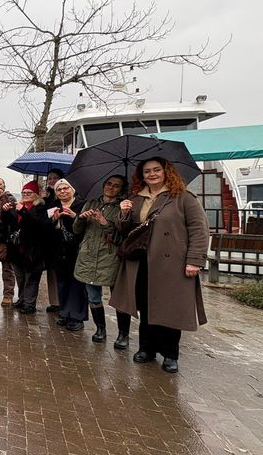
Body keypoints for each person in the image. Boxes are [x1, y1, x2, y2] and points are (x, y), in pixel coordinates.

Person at [110, 157, 209, 373]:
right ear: (142, 175)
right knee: (146, 307)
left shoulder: (183, 198)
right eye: (147, 171)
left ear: (166, 172)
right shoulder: (136, 199)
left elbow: (199, 230)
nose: (152, 174)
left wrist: (195, 260)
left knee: (170, 309)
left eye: (156, 170)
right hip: (141, 262)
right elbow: (124, 230)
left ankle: (170, 354)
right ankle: (147, 349)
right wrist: (124, 212)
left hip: (171, 263)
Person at [73, 175, 129, 345]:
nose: (111, 188)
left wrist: (105, 223)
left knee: (119, 298)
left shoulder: (122, 207)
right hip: (88, 254)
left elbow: (122, 236)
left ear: (121, 189)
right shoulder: (91, 203)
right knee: (93, 296)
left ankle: (123, 335)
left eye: (116, 186)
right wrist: (81, 218)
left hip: (110, 256)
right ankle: (100, 329)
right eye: (109, 184)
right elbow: (76, 230)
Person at [48, 178, 88, 331]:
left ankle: (77, 317)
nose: (63, 191)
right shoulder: (54, 206)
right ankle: (64, 312)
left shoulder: (81, 205)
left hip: (77, 250)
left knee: (77, 284)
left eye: (66, 188)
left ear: (72, 190)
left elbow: (87, 227)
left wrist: (74, 216)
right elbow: (47, 227)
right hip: (59, 250)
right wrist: (54, 220)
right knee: (62, 283)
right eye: (59, 189)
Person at [12, 180, 50, 314]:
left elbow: (38, 225)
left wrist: (23, 211)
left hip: (33, 250)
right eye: (24, 192)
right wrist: (7, 212)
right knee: (20, 277)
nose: (26, 195)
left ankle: (29, 303)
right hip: (19, 249)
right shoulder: (19, 206)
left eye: (29, 192)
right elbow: (12, 225)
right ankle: (22, 299)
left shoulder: (40, 208)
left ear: (36, 195)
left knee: (31, 279)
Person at [42, 168, 64, 312]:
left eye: (55, 178)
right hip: (49, 238)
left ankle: (64, 302)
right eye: (49, 178)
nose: (51, 181)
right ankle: (55, 301)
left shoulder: (64, 195)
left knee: (62, 271)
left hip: (62, 238)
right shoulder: (47, 197)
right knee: (51, 271)